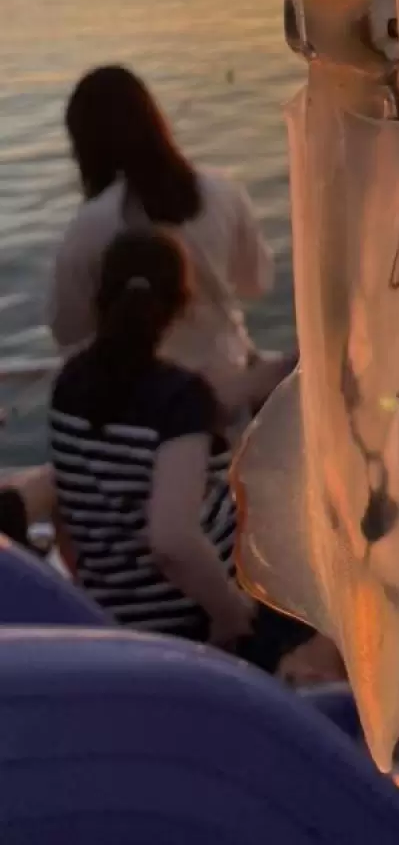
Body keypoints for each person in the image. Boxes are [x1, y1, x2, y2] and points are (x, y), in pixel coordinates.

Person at [48, 227, 311, 670]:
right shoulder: (176, 401)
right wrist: (232, 614)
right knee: (330, 594)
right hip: (194, 627)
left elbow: (208, 398)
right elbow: (171, 541)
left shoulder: (71, 385)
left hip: (115, 617)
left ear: (102, 297)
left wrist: (296, 364)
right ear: (182, 305)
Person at [49, 66, 283, 425]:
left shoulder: (90, 224)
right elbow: (256, 284)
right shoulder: (223, 192)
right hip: (229, 388)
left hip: (144, 411)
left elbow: (68, 330)